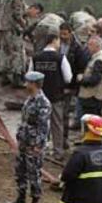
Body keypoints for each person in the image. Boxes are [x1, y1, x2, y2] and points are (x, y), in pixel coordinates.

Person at [6, 71, 51, 203]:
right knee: (20, 170)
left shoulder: (43, 103)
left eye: (28, 82)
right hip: (24, 141)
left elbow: (44, 127)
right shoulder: (29, 100)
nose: (25, 84)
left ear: (34, 84)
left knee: (34, 173)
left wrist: (38, 146)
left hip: (34, 144)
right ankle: (20, 198)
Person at [31, 34, 72, 162]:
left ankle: (37, 149)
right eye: (58, 40)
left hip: (39, 96)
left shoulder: (36, 57)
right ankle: (58, 152)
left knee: (37, 123)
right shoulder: (60, 58)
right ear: (54, 41)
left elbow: (29, 75)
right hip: (56, 96)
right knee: (57, 124)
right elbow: (68, 78)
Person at [0, 0, 30, 88]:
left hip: (2, 27)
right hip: (12, 29)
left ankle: (4, 77)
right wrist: (24, 24)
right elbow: (17, 14)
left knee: (5, 52)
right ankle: (17, 80)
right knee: (16, 53)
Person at [59, 22, 86, 147]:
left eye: (65, 34)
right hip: (56, 83)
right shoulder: (57, 44)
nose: (62, 36)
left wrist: (72, 87)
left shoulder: (77, 48)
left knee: (64, 113)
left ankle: (63, 139)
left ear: (70, 33)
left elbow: (80, 69)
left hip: (68, 85)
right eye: (61, 34)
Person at [77, 35, 102, 117]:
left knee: (91, 123)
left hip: (92, 98)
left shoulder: (99, 60)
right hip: (95, 98)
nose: (88, 47)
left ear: (97, 46)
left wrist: (81, 79)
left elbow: (95, 80)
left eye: (90, 45)